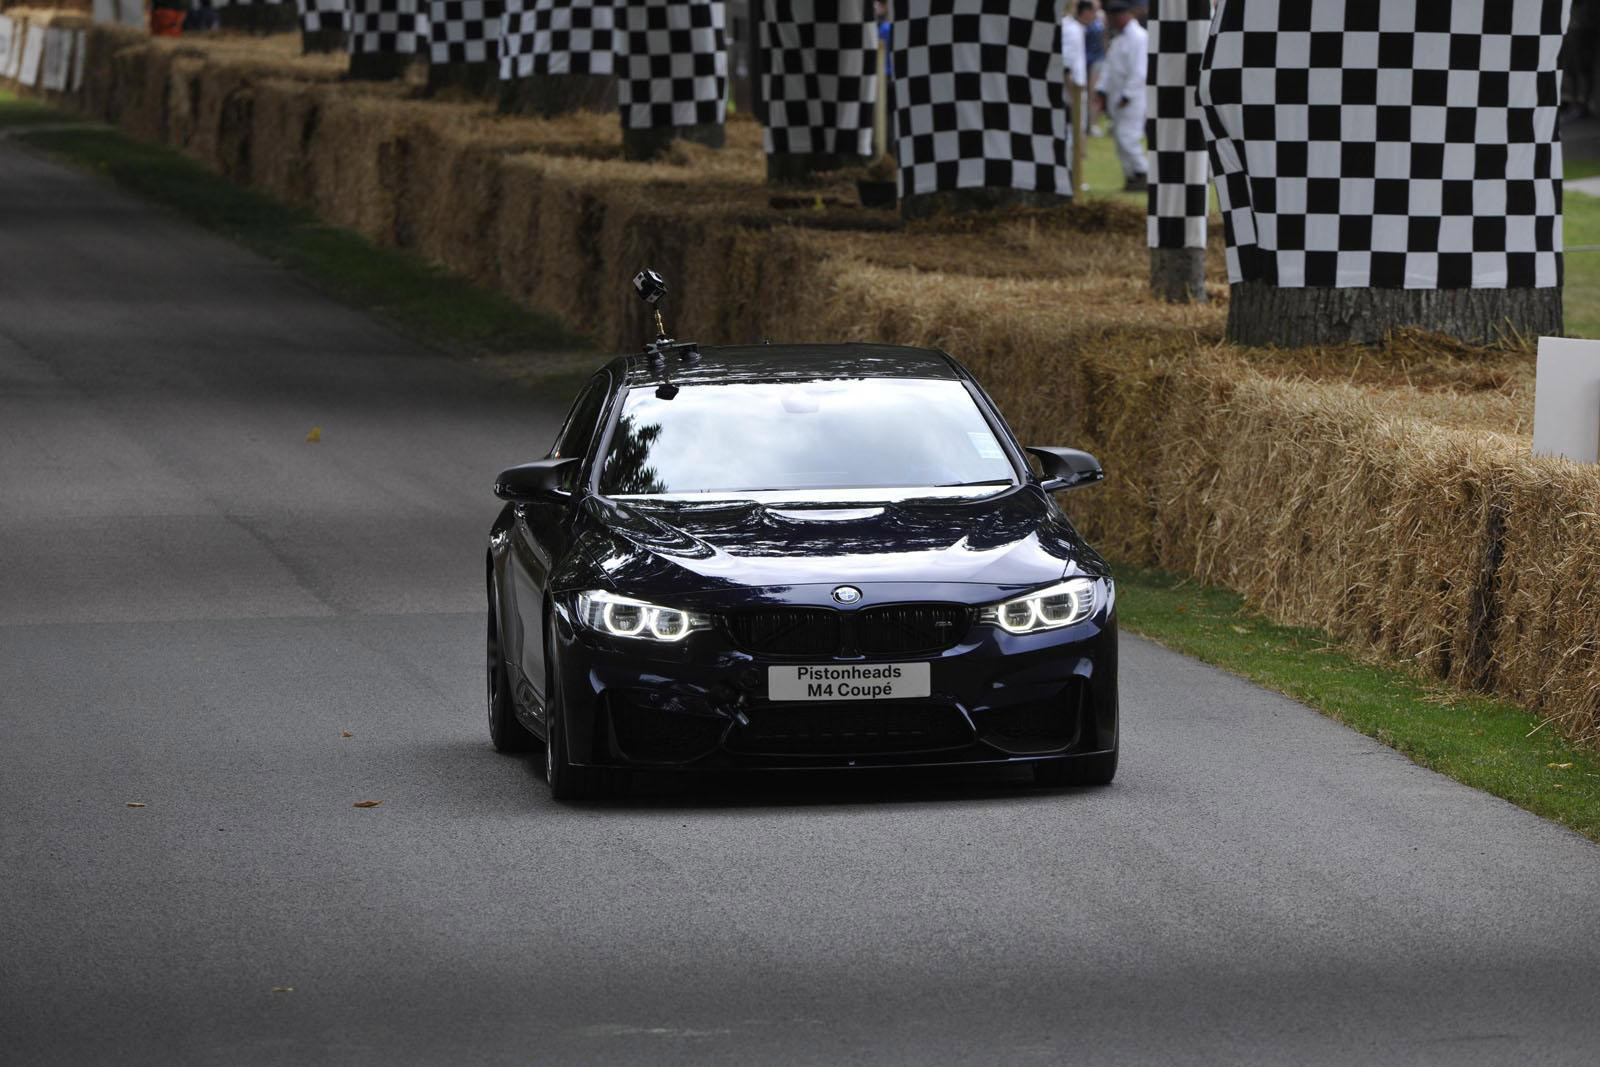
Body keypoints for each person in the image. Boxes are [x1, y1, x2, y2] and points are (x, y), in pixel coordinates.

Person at [1096, 1, 1147, 191]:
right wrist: (1101, 90)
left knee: (1128, 137)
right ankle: (1131, 176)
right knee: (1119, 138)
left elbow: (1140, 71)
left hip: (1132, 98)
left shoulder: (1139, 38)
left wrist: (1128, 95)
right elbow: (1109, 67)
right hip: (1116, 97)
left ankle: (1143, 172)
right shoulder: (1118, 39)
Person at [1083, 2, 1107, 134]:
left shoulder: (1101, 16)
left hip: (1097, 59)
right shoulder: (1084, 14)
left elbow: (1104, 38)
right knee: (1085, 93)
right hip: (1086, 59)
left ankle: (1093, 123)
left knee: (1094, 93)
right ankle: (1086, 122)